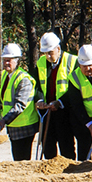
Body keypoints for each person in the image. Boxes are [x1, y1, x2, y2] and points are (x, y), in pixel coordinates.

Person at [34, 32, 77, 160]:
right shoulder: (41, 63)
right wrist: (40, 100)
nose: (48, 56)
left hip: (65, 111)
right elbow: (36, 84)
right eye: (45, 53)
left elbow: (75, 88)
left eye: (50, 53)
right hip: (47, 112)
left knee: (66, 146)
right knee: (47, 145)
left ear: (58, 49)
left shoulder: (72, 61)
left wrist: (59, 102)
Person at [0, 43, 37, 161]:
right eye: (4, 60)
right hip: (13, 125)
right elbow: (8, 99)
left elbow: (20, 105)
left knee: (22, 160)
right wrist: (1, 105)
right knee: (17, 159)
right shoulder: (5, 75)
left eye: (9, 60)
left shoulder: (24, 79)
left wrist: (4, 120)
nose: (6, 63)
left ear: (17, 61)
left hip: (24, 126)